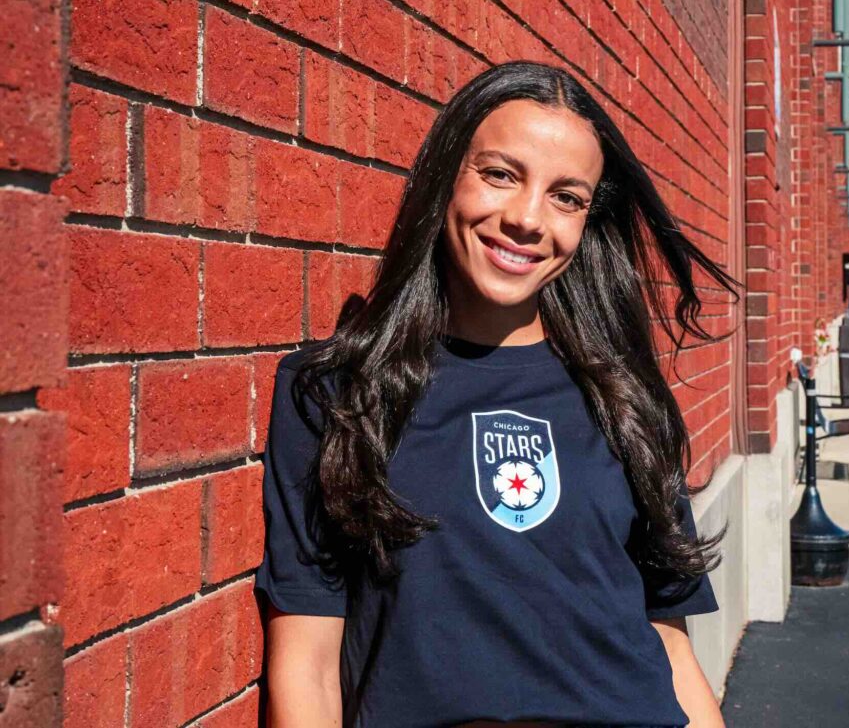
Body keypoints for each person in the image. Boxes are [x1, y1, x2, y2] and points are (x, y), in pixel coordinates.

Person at [255, 60, 738, 728]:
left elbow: (668, 644)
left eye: (566, 197)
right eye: (501, 174)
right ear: (445, 175)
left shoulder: (625, 401)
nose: (527, 219)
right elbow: (305, 665)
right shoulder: (339, 394)